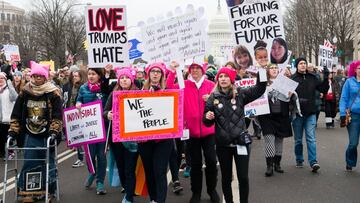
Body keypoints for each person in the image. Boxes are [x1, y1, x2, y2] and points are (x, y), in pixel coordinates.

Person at [203, 67, 266, 203]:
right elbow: (206, 122)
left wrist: (262, 72)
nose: (223, 79)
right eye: (220, 77)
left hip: (241, 142)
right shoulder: (213, 97)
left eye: (226, 76)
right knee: (226, 177)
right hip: (222, 144)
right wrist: (208, 117)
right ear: (217, 80)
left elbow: (259, 89)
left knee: (243, 177)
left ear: (231, 79)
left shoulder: (240, 94)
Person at [167, 62, 219, 203]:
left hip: (209, 131)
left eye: (198, 68)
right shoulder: (184, 85)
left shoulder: (210, 85)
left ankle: (212, 190)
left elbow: (221, 102)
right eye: (192, 69)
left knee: (211, 161)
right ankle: (196, 192)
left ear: (202, 70)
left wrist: (212, 100)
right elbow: (169, 88)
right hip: (191, 133)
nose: (195, 70)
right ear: (189, 71)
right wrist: (172, 72)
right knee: (195, 164)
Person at [8, 61, 62, 195]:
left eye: (40, 76)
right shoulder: (25, 92)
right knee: (30, 162)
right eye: (35, 76)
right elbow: (16, 113)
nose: (37, 79)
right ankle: (27, 188)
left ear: (45, 77)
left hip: (47, 134)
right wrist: (13, 131)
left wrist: (54, 131)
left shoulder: (53, 93)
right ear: (31, 76)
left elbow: (57, 115)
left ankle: (50, 188)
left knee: (48, 163)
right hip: (30, 133)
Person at [138, 62, 173, 203]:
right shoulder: (139, 91)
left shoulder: (169, 90)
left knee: (160, 171)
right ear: (148, 74)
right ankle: (153, 199)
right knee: (149, 172)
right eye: (153, 71)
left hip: (163, 140)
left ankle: (160, 200)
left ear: (162, 75)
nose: (155, 74)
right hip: (145, 140)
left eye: (158, 71)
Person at [104, 67, 139, 203]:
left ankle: (129, 196)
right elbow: (105, 111)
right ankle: (127, 188)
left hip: (133, 139)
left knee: (130, 169)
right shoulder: (114, 94)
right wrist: (108, 114)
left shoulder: (138, 94)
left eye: (127, 78)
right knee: (122, 167)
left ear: (131, 80)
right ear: (119, 81)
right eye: (122, 78)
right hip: (117, 137)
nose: (124, 80)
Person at [258, 64, 299, 177]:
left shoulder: (285, 82)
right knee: (269, 139)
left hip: (282, 116)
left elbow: (293, 98)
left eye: (276, 68)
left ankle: (277, 164)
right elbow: (256, 95)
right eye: (272, 68)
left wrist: (291, 95)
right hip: (267, 116)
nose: (274, 70)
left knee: (279, 140)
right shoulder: (262, 83)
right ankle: (269, 166)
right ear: (268, 70)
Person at [291, 57, 329, 172]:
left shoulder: (312, 78)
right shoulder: (292, 79)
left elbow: (323, 89)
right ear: (297, 66)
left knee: (311, 138)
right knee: (298, 140)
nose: (303, 65)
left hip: (311, 113)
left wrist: (326, 76)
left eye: (304, 63)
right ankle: (299, 159)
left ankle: (313, 162)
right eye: (301, 63)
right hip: (297, 114)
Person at [76, 68, 110, 195]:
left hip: (102, 127)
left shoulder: (104, 87)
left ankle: (100, 182)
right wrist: (78, 103)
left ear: (99, 75)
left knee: (101, 155)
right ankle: (92, 172)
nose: (90, 76)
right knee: (90, 155)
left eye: (93, 74)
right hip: (88, 128)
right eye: (89, 74)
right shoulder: (83, 88)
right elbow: (79, 99)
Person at [62, 69, 87, 167]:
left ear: (81, 77)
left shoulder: (84, 87)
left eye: (76, 76)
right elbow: (68, 100)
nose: (74, 77)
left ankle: (91, 157)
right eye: (73, 76)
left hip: (83, 114)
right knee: (78, 137)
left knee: (86, 137)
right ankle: (80, 158)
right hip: (72, 114)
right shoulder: (70, 87)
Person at [339, 60, 360, 171]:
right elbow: (343, 98)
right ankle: (350, 162)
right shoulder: (349, 82)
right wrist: (342, 114)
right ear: (355, 70)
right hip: (354, 116)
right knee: (353, 143)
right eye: (359, 68)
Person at [0, 72, 18, 158]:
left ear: (5, 80)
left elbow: (15, 97)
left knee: (8, 138)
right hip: (1, 119)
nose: (0, 80)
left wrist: (10, 84)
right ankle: (2, 153)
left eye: (2, 78)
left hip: (9, 119)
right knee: (1, 138)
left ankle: (11, 152)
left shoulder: (9, 90)